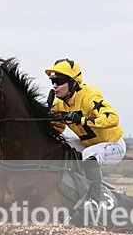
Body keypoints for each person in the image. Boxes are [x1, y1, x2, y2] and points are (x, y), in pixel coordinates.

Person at [45, 58, 125, 209]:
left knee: (89, 155)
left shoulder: (90, 95)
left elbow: (113, 118)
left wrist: (82, 119)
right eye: (52, 81)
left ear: (73, 83)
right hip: (88, 144)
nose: (55, 86)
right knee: (60, 145)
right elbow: (58, 129)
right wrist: (47, 114)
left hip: (113, 145)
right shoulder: (59, 104)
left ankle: (96, 201)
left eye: (59, 81)